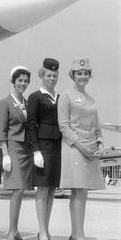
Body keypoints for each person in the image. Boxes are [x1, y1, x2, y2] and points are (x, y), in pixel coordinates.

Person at [58, 58, 105, 240]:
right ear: (73, 75)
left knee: (82, 191)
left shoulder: (91, 99)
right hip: (74, 148)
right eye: (79, 73)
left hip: (90, 149)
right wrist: (81, 146)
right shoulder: (66, 96)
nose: (83, 76)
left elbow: (97, 126)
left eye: (86, 73)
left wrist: (100, 143)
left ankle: (76, 233)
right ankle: (78, 234)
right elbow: (64, 126)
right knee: (78, 189)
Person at [27, 58, 62, 240]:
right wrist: (36, 151)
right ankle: (41, 230)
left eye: (55, 75)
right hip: (43, 147)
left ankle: (45, 229)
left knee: (52, 189)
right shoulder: (36, 97)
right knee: (42, 188)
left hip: (57, 148)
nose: (52, 78)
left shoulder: (59, 97)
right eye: (49, 75)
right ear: (42, 76)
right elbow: (31, 125)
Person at [0, 66, 33, 240]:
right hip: (13, 148)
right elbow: (1, 130)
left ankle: (15, 230)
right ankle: (11, 231)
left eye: (26, 81)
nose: (23, 83)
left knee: (22, 190)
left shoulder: (27, 103)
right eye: (20, 80)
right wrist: (5, 153)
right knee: (17, 189)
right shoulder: (5, 102)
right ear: (13, 81)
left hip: (26, 149)